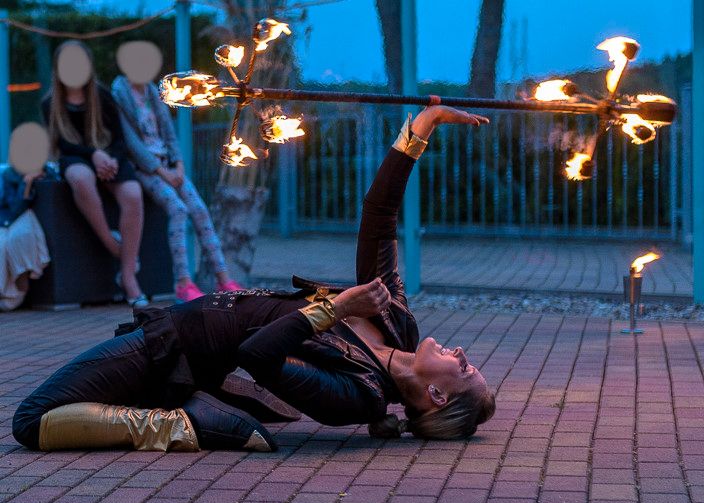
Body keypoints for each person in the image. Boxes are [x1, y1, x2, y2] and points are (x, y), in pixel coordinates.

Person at [12, 105, 495, 453]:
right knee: (64, 408)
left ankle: (178, 424)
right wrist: (421, 131)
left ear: (436, 396)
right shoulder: (397, 324)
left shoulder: (360, 395)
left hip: (177, 348)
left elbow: (257, 354)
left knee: (31, 421)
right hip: (177, 329)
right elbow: (379, 217)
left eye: (466, 370)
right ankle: (187, 410)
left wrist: (338, 308)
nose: (463, 354)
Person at [111, 41, 241, 302]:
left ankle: (224, 279)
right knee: (178, 209)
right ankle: (183, 282)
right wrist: (161, 172)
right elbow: (131, 143)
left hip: (169, 166)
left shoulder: (151, 91)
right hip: (147, 169)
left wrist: (178, 166)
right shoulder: (120, 93)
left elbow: (169, 134)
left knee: (200, 210)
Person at [41, 40, 147, 307]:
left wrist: (110, 159)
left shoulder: (102, 95)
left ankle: (127, 277)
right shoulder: (50, 102)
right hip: (77, 158)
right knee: (80, 178)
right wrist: (93, 155)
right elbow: (62, 144)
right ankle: (115, 247)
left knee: (133, 193)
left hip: (109, 155)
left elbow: (121, 139)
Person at [0, 123, 51, 311]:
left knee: (17, 238)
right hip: (8, 220)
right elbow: (14, 208)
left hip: (24, 222)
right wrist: (27, 184)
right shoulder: (9, 175)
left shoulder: (46, 171)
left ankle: (17, 291)